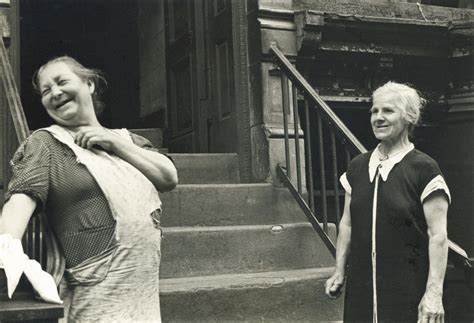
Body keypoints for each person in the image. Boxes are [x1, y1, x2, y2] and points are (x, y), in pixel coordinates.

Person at [0, 56, 178, 321]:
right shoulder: (46, 144)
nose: (55, 93)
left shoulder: (130, 141)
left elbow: (168, 177)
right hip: (94, 293)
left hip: (142, 290)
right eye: (46, 91)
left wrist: (112, 142)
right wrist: (6, 244)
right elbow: (20, 199)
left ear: (90, 84)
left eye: (62, 82)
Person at [324, 81, 450, 322]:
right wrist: (339, 271)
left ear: (409, 117)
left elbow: (438, 236)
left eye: (388, 111)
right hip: (361, 290)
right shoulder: (357, 167)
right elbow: (347, 225)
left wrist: (434, 293)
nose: (378, 117)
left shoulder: (424, 168)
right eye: (374, 111)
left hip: (406, 290)